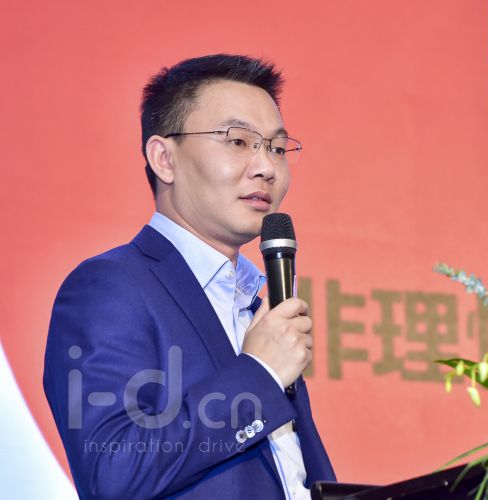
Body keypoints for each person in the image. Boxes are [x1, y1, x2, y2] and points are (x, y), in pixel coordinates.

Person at [43, 54, 335, 499]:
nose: (266, 167)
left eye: (276, 148)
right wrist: (259, 374)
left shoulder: (255, 303)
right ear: (164, 159)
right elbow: (112, 472)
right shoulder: (110, 288)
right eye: (238, 141)